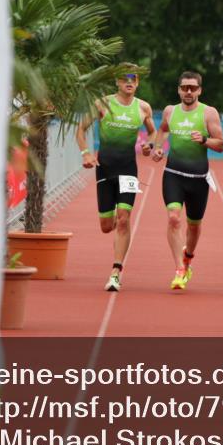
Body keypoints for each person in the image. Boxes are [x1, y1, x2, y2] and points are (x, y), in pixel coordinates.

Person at [76, 65, 155, 292]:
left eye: (133, 78)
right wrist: (86, 153)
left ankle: (116, 271)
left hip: (129, 169)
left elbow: (152, 132)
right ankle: (117, 238)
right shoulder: (103, 103)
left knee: (123, 218)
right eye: (125, 78)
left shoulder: (143, 108)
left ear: (137, 83)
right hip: (104, 169)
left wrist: (149, 145)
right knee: (106, 225)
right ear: (117, 82)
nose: (129, 82)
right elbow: (80, 130)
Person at [150, 71, 223, 290]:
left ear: (200, 90)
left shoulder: (208, 113)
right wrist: (157, 147)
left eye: (193, 88)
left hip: (199, 179)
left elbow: (220, 145)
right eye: (185, 87)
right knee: (174, 218)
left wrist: (203, 140)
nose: (189, 91)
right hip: (173, 174)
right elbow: (162, 130)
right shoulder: (170, 111)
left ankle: (188, 258)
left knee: (194, 225)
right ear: (179, 90)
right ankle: (179, 269)